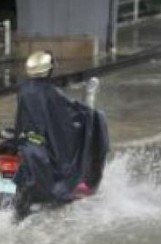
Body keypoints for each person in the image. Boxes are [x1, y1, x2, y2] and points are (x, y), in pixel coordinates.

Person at [11, 50, 109, 219]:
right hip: (38, 144)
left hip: (23, 140)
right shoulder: (51, 92)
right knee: (65, 166)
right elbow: (67, 118)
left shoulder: (23, 89)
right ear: (48, 70)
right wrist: (89, 115)